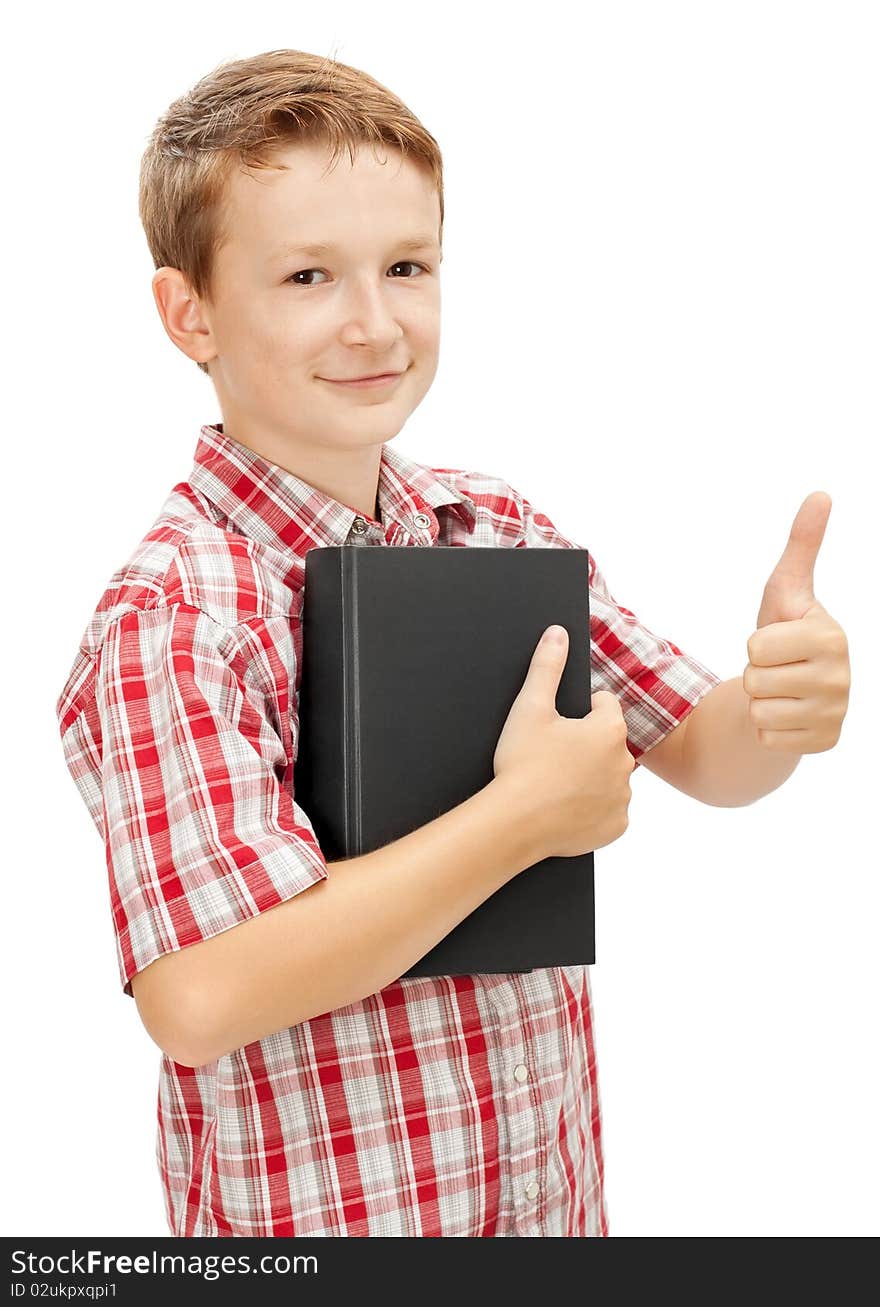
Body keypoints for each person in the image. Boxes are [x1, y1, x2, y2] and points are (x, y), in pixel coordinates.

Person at [54, 48, 850, 1239]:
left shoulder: (496, 530)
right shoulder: (175, 613)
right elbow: (201, 992)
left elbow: (705, 751)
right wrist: (523, 818)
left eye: (407, 266)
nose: (373, 322)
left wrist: (782, 702)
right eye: (309, 274)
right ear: (190, 313)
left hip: (545, 1215)